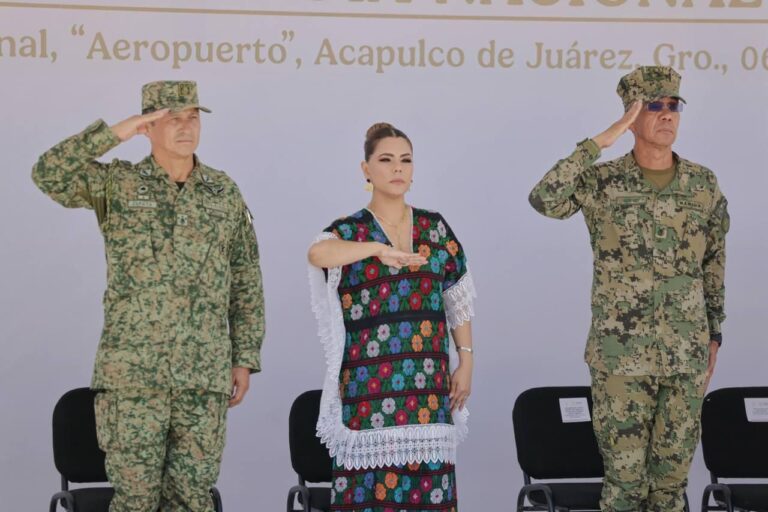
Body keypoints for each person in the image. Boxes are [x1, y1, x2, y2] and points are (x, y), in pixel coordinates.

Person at [32, 80, 265, 512]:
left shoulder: (223, 191)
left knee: (191, 500)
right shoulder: (118, 184)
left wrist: (244, 357)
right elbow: (48, 172)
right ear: (148, 127)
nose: (185, 127)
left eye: (192, 117)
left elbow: (245, 274)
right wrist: (114, 133)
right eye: (171, 119)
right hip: (134, 377)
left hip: (202, 375)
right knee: (135, 501)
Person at [529, 66, 729, 512]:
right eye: (653, 106)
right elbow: (544, 198)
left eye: (673, 105)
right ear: (632, 115)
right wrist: (602, 139)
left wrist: (714, 333)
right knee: (624, 489)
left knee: (671, 489)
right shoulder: (602, 182)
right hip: (621, 360)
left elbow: (713, 262)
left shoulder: (702, 184)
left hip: (685, 356)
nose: (666, 115)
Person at [307, 123, 476, 511]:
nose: (397, 168)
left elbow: (457, 298)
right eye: (385, 160)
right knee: (370, 495)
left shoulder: (435, 227)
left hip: (427, 389)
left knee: (431, 491)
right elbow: (317, 254)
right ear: (366, 169)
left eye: (405, 160)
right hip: (369, 391)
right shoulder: (349, 232)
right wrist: (374, 250)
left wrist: (466, 359)